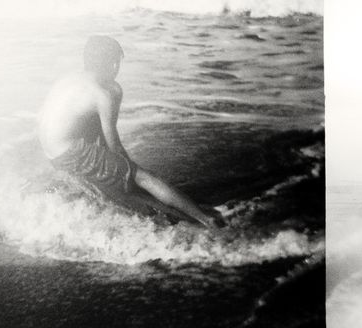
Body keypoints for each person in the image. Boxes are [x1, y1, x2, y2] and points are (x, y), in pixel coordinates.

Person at [38, 36, 224, 228]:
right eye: (117, 62)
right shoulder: (102, 95)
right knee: (143, 177)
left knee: (117, 172)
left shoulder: (68, 79)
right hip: (70, 152)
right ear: (112, 64)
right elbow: (114, 145)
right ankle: (205, 219)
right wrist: (128, 170)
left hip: (51, 151)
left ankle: (123, 189)